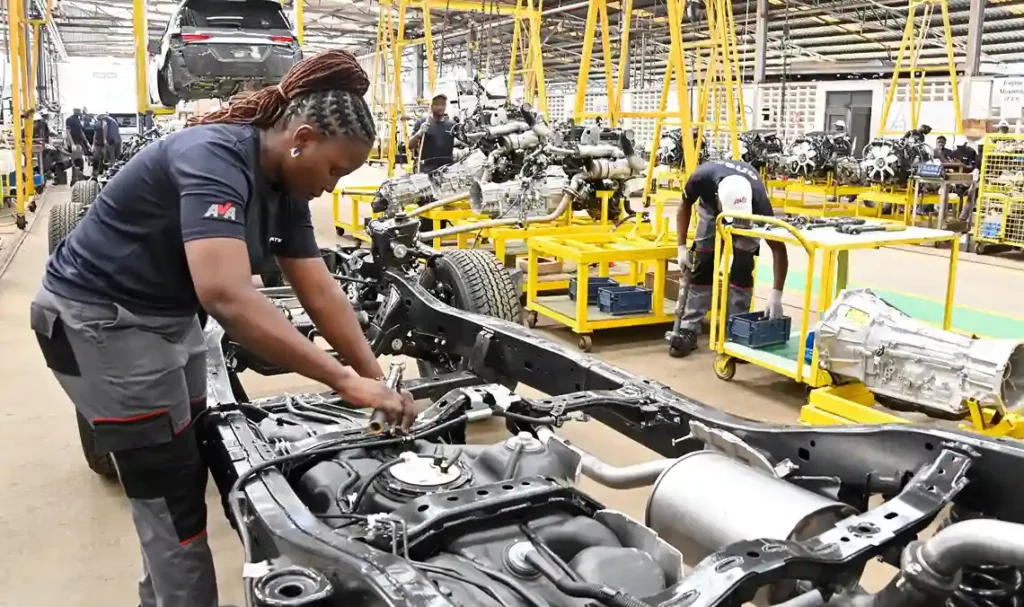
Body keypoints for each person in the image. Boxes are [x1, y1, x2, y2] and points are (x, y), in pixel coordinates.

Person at [30, 50, 415, 607]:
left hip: (165, 320)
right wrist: (344, 383)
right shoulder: (214, 156)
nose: (332, 187)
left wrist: (374, 378)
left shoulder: (285, 187)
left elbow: (320, 290)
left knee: (181, 476)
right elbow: (227, 296)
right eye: (334, 170)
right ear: (301, 139)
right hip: (98, 325)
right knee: (174, 501)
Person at [670, 159, 789, 358]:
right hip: (709, 208)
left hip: (746, 213)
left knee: (743, 265)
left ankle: (736, 330)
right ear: (718, 198)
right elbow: (685, 204)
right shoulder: (701, 178)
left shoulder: (759, 202)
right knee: (703, 261)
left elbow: (778, 248)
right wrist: (681, 247)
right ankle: (688, 328)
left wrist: (776, 294)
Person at [407, 93, 455, 174]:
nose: (441, 107)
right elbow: (410, 146)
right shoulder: (423, 122)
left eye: (443, 104)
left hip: (446, 170)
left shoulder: (452, 125)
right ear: (431, 106)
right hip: (426, 170)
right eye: (437, 104)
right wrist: (419, 133)